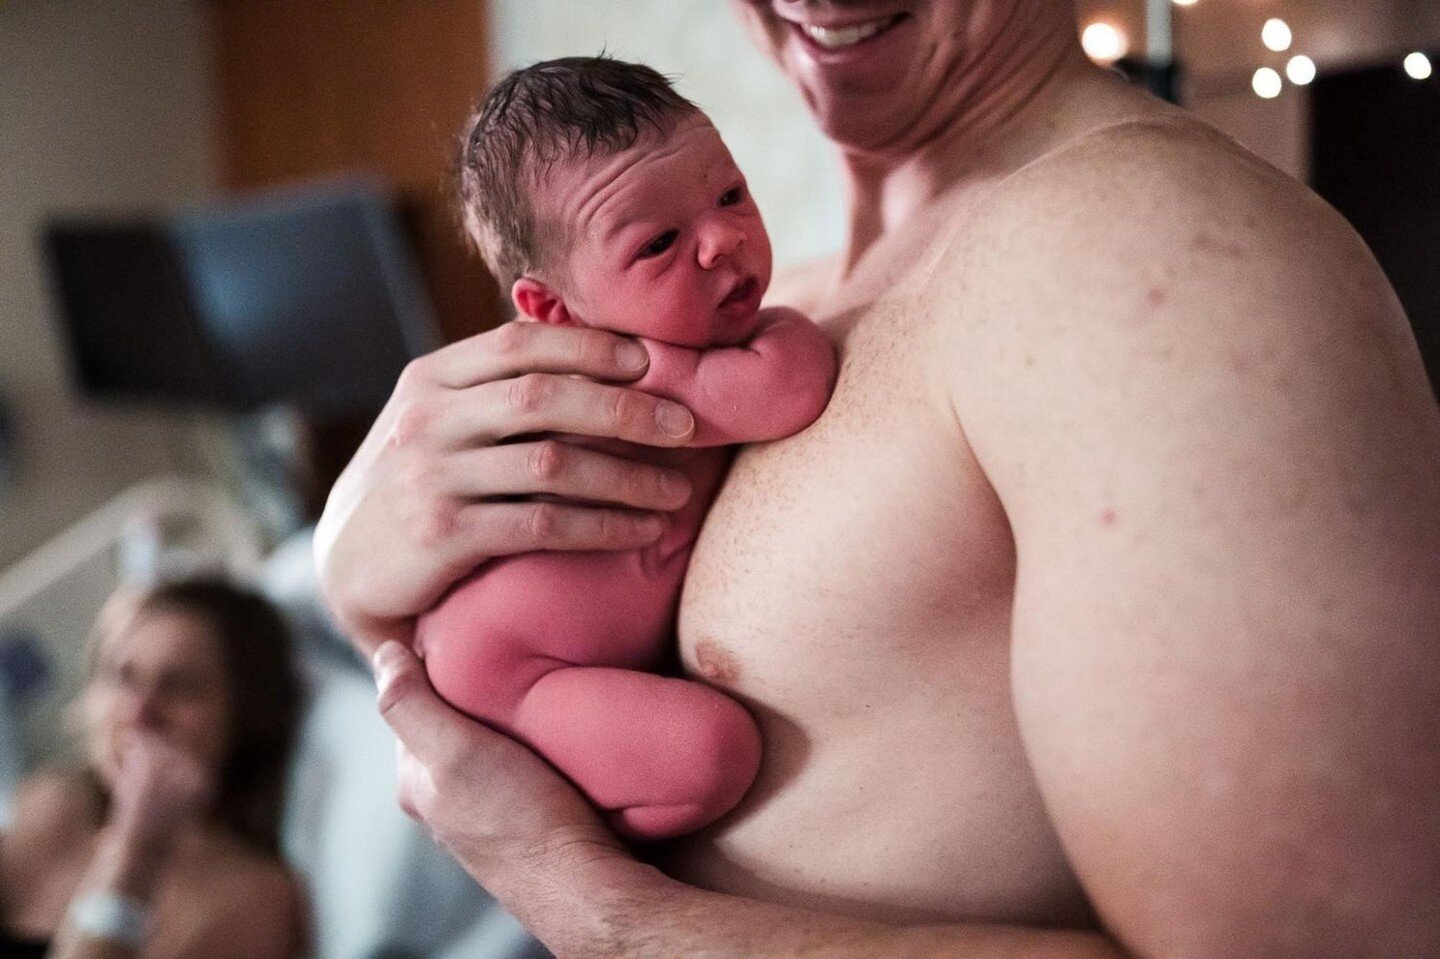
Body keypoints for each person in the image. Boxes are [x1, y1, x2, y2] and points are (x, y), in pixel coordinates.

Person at [316, 0, 1440, 955]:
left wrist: (595, 905)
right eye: (662, 241)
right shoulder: (797, 286)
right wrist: (351, 566)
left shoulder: (1153, 259)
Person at [418, 57, 836, 841]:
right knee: (711, 750)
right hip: (517, 675)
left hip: (505, 652)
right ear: (555, 310)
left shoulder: (681, 344)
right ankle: (591, 835)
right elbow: (792, 384)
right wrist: (786, 326)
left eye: (730, 194)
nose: (721, 239)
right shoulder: (611, 382)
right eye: (661, 243)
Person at [0, 578, 308, 958]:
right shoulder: (52, 806)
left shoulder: (254, 900)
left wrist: (137, 851)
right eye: (122, 676)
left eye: (180, 686)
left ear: (246, 715)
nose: (138, 712)